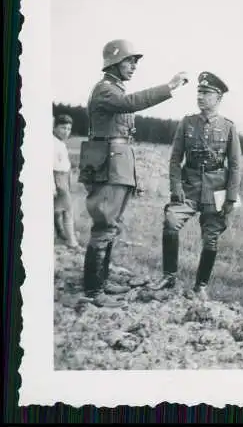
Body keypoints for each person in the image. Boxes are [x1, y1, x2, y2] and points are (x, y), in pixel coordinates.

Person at [78, 38, 189, 308]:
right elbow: (131, 103)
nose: (134, 66)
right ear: (114, 63)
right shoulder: (106, 90)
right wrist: (170, 86)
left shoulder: (113, 89)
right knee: (104, 224)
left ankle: (101, 282)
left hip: (116, 164)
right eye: (130, 61)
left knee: (111, 224)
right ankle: (93, 291)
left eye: (135, 62)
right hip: (109, 165)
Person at [149, 71, 241, 300]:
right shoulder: (187, 123)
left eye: (206, 93)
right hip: (189, 187)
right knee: (171, 221)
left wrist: (231, 198)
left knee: (211, 237)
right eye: (199, 92)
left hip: (216, 189)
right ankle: (169, 276)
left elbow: (236, 164)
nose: (200, 97)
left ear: (218, 98)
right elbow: (175, 159)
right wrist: (175, 188)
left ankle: (200, 286)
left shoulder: (228, 127)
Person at [53, 113, 82, 251]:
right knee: (68, 209)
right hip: (57, 178)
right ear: (55, 127)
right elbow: (50, 166)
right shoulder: (52, 143)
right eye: (63, 128)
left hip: (64, 177)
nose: (66, 132)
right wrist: (53, 185)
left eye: (69, 129)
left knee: (58, 210)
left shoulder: (60, 143)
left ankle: (60, 234)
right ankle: (72, 241)